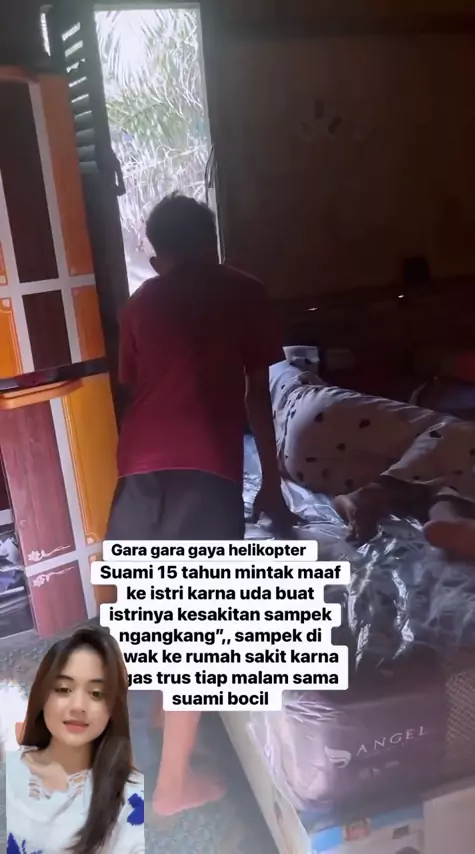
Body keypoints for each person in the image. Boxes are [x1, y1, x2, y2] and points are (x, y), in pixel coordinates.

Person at [105, 193, 297, 817]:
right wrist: (271, 481)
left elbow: (138, 384)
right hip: (204, 463)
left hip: (137, 465)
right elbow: (257, 396)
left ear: (158, 257)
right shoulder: (244, 290)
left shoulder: (141, 301)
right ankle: (172, 789)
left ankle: (164, 719)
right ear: (212, 243)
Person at [270, 347, 475, 559]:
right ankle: (374, 492)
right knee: (459, 432)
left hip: (294, 461)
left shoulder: (255, 385)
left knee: (423, 470)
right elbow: (345, 358)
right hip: (311, 408)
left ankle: (448, 519)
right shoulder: (280, 357)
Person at [8, 626, 144, 854]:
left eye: (96, 693)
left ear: (112, 708)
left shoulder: (131, 798)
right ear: (43, 695)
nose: (78, 706)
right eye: (63, 689)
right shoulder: (11, 772)